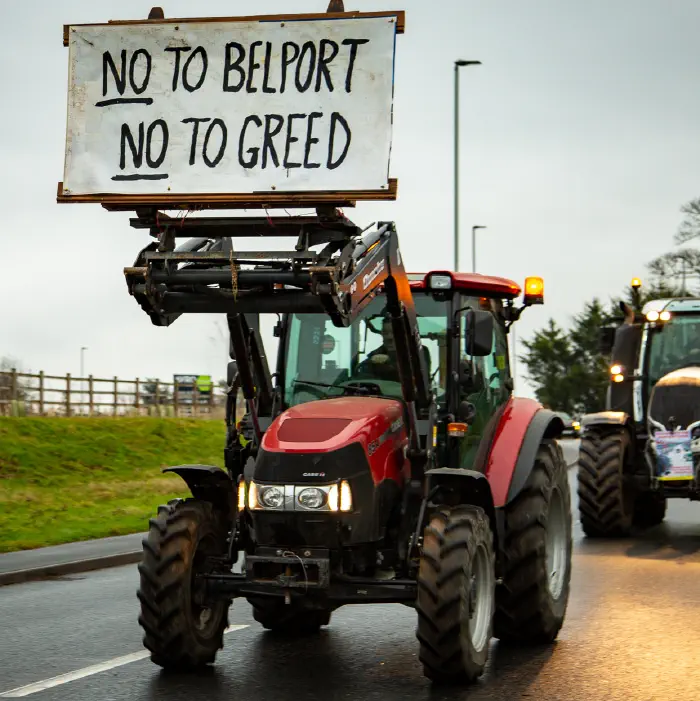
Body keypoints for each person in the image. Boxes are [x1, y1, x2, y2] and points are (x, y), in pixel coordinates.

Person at [357, 316, 431, 381]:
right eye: (385, 333)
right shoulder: (373, 357)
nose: (389, 337)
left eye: (394, 333)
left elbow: (418, 374)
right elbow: (363, 377)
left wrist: (390, 360)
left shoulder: (419, 352)